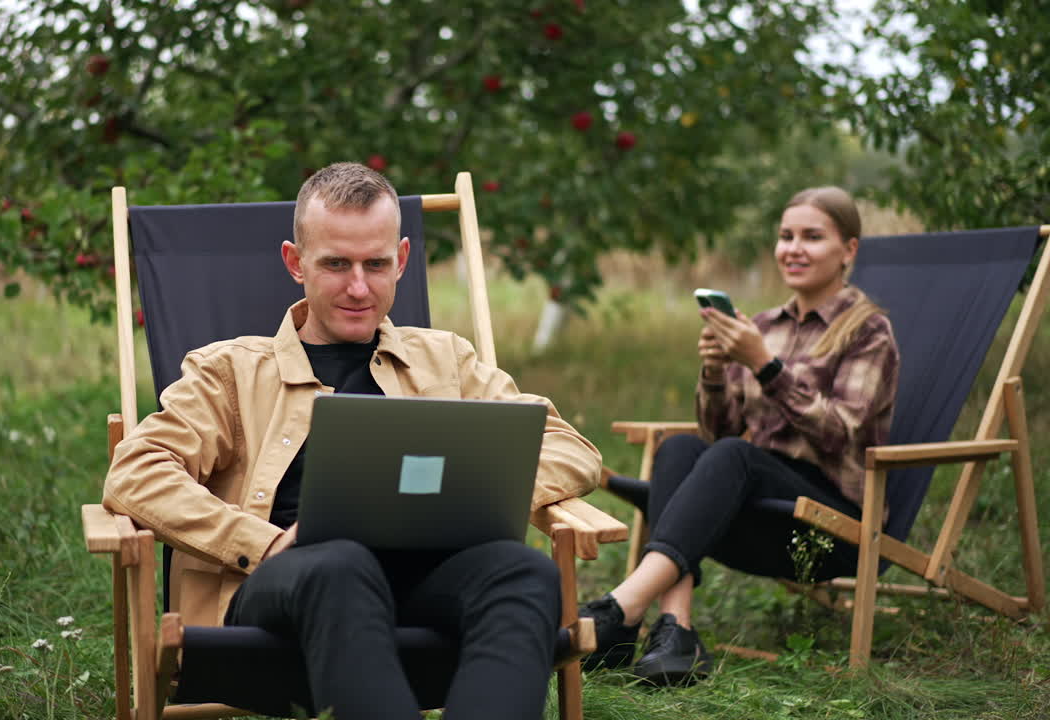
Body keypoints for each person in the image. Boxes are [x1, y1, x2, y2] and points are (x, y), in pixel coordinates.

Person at [103, 162, 602, 719]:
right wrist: (264, 543)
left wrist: (478, 493)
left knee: (525, 571)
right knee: (339, 561)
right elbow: (136, 471)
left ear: (403, 261)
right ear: (296, 262)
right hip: (287, 589)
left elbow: (568, 447)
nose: (359, 287)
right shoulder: (230, 372)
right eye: (336, 264)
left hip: (426, 579)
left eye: (376, 264)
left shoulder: (447, 361)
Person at [580, 186, 900, 685]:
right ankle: (677, 630)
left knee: (736, 457)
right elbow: (718, 433)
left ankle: (621, 608)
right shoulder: (764, 325)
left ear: (849, 250)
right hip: (757, 512)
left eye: (812, 237)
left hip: (831, 529)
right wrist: (713, 373)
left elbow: (841, 434)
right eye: (785, 236)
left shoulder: (868, 331)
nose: (793, 248)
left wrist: (764, 366)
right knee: (683, 447)